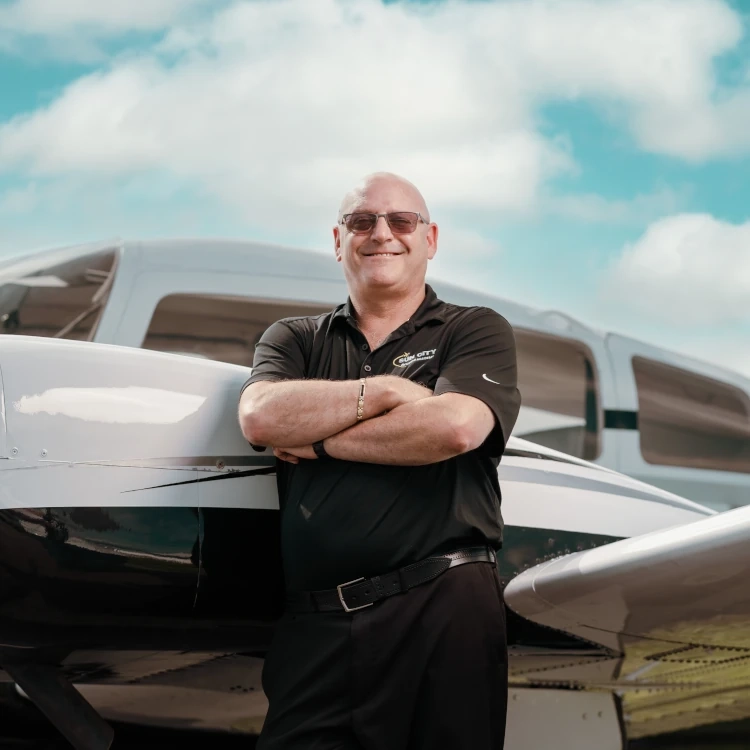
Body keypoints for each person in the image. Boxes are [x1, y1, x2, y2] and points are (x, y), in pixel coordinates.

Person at [238, 172, 521, 750]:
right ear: (339, 240)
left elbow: (456, 426)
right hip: (316, 626)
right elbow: (262, 417)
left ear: (430, 238)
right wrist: (388, 395)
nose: (381, 234)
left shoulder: (475, 329)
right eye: (361, 222)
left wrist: (319, 442)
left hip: (442, 612)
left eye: (401, 221)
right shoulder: (293, 338)